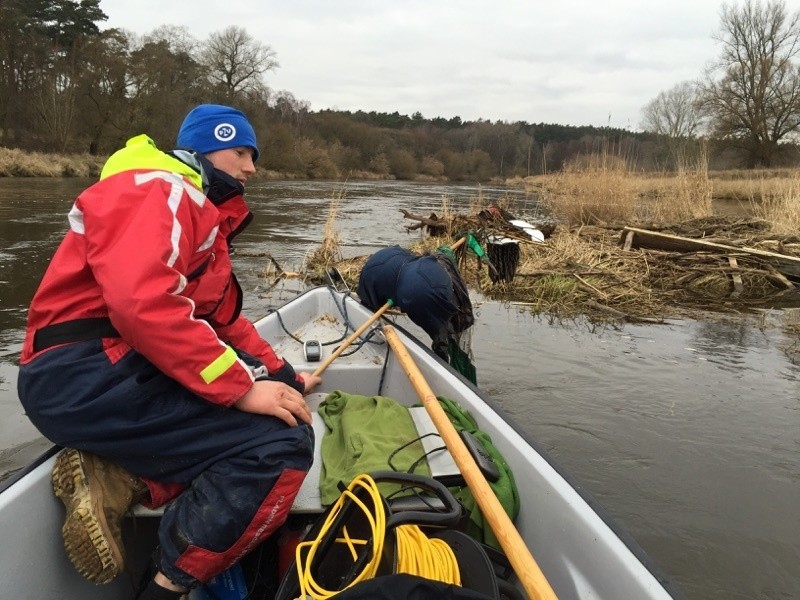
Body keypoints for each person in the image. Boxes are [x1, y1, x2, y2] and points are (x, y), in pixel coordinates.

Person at [17, 104, 322, 599]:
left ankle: (121, 476)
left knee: (275, 413)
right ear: (208, 147)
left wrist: (283, 376)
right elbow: (143, 304)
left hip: (100, 374)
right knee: (279, 444)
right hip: (85, 375)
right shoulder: (160, 189)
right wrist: (242, 388)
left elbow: (220, 321)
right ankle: (163, 588)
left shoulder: (197, 215)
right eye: (242, 152)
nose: (252, 168)